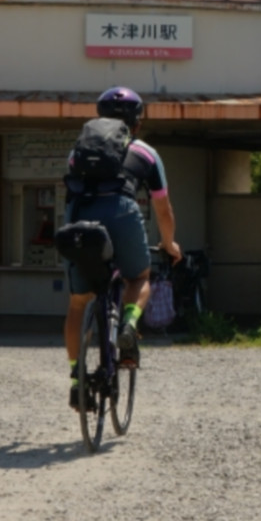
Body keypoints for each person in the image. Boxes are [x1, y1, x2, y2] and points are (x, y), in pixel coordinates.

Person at [62, 86, 181, 410]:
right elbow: (163, 210)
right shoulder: (145, 153)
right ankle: (128, 323)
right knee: (138, 277)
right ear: (136, 123)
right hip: (121, 213)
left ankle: (76, 380)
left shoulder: (78, 151)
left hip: (79, 216)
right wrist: (168, 243)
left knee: (77, 303)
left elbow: (69, 193)